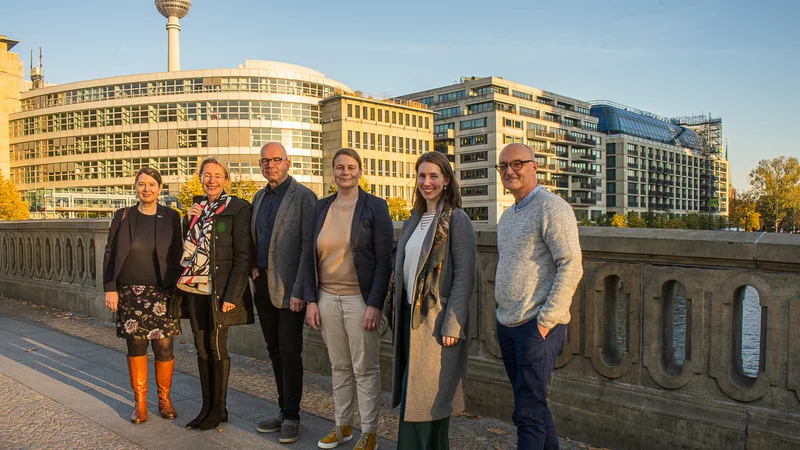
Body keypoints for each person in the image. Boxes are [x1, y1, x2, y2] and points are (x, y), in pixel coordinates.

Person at [494, 143, 583, 449]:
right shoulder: (507, 217)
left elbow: (571, 264)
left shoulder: (552, 207)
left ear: (534, 166)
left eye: (517, 164)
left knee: (527, 413)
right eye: (503, 166)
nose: (509, 171)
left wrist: (546, 321)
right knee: (535, 405)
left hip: (536, 327)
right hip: (508, 323)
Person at [303, 148, 393, 450]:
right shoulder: (320, 207)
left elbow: (384, 259)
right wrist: (311, 300)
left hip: (360, 300)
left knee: (365, 368)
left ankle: (369, 432)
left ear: (360, 171)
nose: (345, 172)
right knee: (339, 366)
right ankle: (342, 426)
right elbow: (308, 254)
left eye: (351, 167)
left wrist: (375, 304)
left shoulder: (375, 207)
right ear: (333, 172)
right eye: (340, 167)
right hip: (327, 297)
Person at [388, 151, 476, 450]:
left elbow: (465, 275)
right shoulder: (414, 219)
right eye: (422, 176)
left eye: (434, 176)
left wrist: (453, 324)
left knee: (426, 397)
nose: (427, 182)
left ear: (447, 180)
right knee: (419, 394)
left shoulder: (457, 220)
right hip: (409, 319)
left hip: (436, 323)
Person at [178, 157, 255, 431]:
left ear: (226, 179)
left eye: (217, 175)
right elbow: (186, 246)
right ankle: (207, 406)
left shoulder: (237, 208)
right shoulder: (196, 207)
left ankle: (219, 408)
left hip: (219, 290)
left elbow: (243, 256)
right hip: (193, 286)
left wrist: (233, 295)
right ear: (200, 177)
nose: (211, 180)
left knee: (216, 346)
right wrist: (188, 219)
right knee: (200, 347)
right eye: (207, 175)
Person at [102, 167, 183, 424]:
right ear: (135, 187)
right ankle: (140, 402)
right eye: (141, 184)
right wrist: (110, 288)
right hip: (130, 293)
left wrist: (181, 290)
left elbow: (179, 253)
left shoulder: (171, 216)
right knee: (136, 345)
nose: (146, 189)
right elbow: (110, 253)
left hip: (162, 292)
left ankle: (164, 399)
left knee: (164, 345)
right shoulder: (123, 216)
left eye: (151, 184)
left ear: (160, 188)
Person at [250, 142, 317, 444]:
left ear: (288, 163)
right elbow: (254, 238)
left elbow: (309, 248)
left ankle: (292, 416)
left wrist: (301, 289)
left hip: (292, 291)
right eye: (265, 161)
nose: (271, 165)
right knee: (274, 350)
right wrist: (253, 266)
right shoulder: (259, 197)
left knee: (290, 352)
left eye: (276, 160)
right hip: (263, 286)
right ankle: (282, 408)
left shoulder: (303, 198)